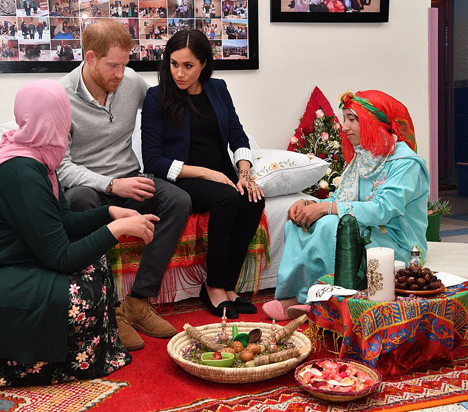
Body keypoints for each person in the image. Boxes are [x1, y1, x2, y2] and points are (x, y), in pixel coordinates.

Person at [0, 79, 160, 391]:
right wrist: (116, 229)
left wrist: (109, 213)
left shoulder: (36, 159)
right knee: (81, 294)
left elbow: (61, 221)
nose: (70, 122)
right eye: (65, 114)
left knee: (95, 265)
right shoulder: (20, 170)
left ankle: (94, 342)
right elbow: (59, 257)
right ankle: (46, 359)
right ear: (55, 120)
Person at [58, 20, 191, 350]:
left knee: (178, 199)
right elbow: (61, 167)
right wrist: (111, 184)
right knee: (80, 203)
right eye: (113, 66)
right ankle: (110, 309)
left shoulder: (131, 83)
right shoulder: (60, 97)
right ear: (90, 58)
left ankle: (138, 302)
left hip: (132, 178)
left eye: (125, 65)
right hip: (88, 186)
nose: (121, 73)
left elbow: (166, 112)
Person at [262, 90, 429, 320]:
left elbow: (381, 209)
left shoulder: (406, 164)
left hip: (396, 243)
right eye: (345, 119)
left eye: (352, 119)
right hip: (363, 229)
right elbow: (341, 200)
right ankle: (299, 296)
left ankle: (324, 300)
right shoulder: (364, 156)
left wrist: (325, 209)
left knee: (331, 226)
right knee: (300, 222)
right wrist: (308, 204)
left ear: (373, 122)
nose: (345, 127)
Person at [141, 29, 265, 319]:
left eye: (188, 66)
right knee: (226, 199)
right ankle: (212, 286)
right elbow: (153, 160)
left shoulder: (218, 89)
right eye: (174, 64)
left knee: (253, 199)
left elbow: (237, 133)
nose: (179, 73)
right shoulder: (156, 97)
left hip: (219, 176)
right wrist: (208, 174)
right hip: (180, 180)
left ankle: (228, 285)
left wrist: (244, 173)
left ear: (204, 65)